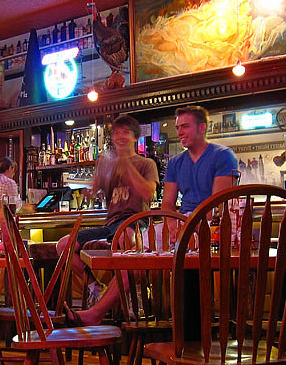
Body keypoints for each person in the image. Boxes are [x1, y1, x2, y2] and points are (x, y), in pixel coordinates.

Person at [67, 106, 237, 326]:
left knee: (137, 246)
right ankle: (100, 311)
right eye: (178, 127)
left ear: (202, 128)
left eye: (185, 126)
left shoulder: (222, 156)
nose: (180, 132)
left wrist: (186, 224)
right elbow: (167, 202)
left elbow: (218, 204)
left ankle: (146, 310)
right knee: (132, 258)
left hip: (210, 225)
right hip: (183, 221)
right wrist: (171, 221)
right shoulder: (176, 162)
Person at [60, 114, 159, 326]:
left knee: (126, 238)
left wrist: (125, 162)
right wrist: (93, 183)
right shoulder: (108, 162)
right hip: (110, 225)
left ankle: (135, 295)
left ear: (135, 137)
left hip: (136, 221)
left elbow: (148, 193)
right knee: (63, 246)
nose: (120, 136)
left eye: (125, 132)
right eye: (116, 132)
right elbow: (94, 189)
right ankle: (97, 290)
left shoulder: (146, 163)